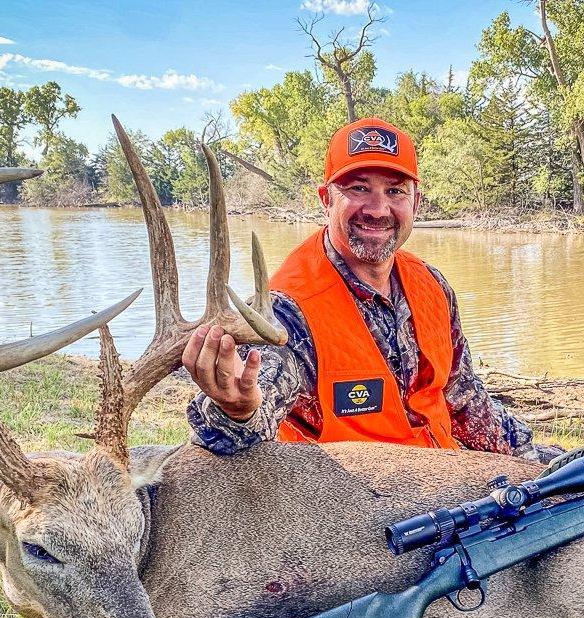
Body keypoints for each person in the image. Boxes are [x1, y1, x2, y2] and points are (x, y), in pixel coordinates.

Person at [184, 117, 562, 464]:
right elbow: (255, 406)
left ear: (416, 201)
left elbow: (461, 397)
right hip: (349, 514)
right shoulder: (286, 311)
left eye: (395, 191)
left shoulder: (431, 285)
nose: (378, 208)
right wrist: (239, 409)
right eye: (358, 188)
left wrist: (529, 456)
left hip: (446, 490)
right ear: (326, 199)